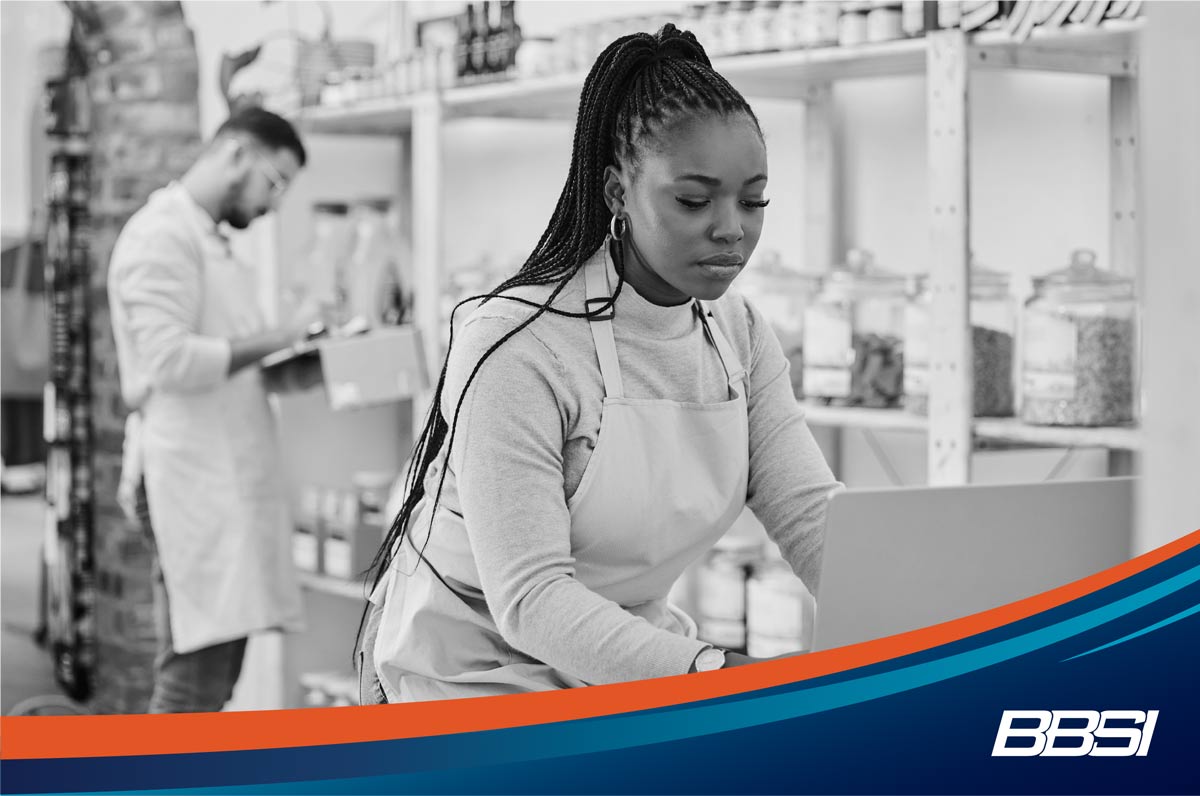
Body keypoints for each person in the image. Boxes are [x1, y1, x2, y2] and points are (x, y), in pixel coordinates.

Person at [359, 25, 842, 704]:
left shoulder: (739, 335)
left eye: (753, 200)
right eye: (694, 200)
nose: (732, 228)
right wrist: (715, 671)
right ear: (618, 192)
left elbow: (812, 518)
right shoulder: (517, 348)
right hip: (467, 676)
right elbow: (531, 598)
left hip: (619, 657)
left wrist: (936, 635)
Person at [108, 107, 314, 713]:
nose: (274, 204)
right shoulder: (159, 235)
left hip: (221, 478)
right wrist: (276, 338)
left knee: (217, 680)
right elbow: (167, 360)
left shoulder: (209, 240)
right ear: (234, 154)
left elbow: (228, 358)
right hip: (186, 479)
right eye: (274, 182)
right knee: (191, 681)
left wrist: (296, 364)